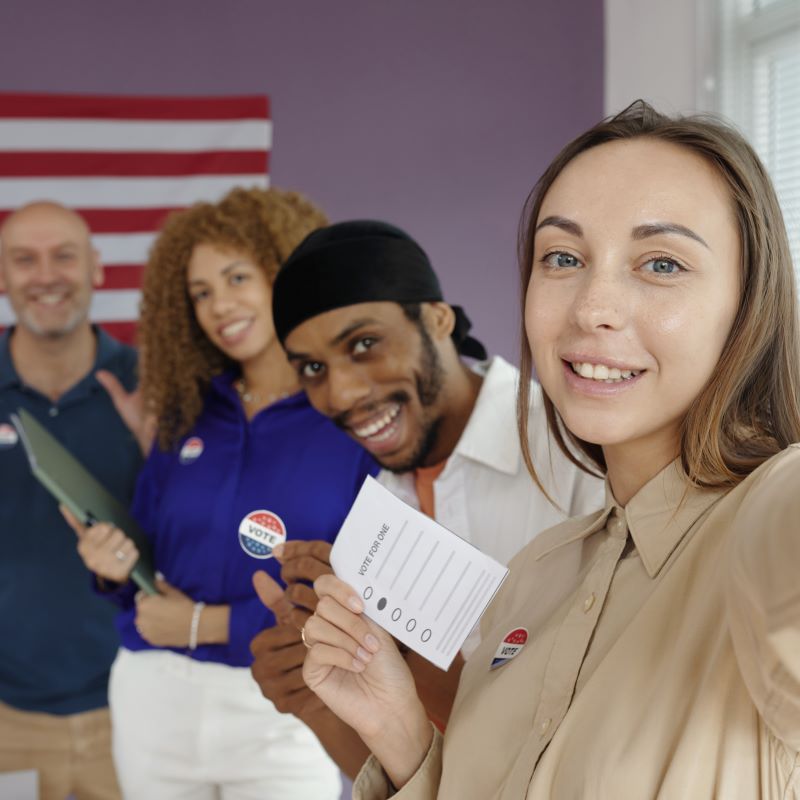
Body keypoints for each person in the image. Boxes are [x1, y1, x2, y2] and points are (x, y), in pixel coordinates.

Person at [299, 101, 800, 799]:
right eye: (562, 257)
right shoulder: (538, 574)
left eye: (661, 263)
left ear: (750, 304)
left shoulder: (770, 517)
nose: (594, 305)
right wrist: (405, 739)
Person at [248, 219, 604, 775]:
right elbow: (419, 774)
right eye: (313, 369)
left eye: (365, 344)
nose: (341, 392)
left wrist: (406, 655)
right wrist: (313, 702)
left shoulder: (577, 448)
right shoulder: (372, 512)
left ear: (437, 320)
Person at [65, 187, 378, 799]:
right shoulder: (187, 412)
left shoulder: (353, 417)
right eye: (201, 293)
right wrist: (114, 567)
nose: (219, 306)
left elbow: (369, 586)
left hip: (284, 699)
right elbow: (150, 547)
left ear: (285, 274)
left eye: (237, 278)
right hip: (153, 695)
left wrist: (213, 624)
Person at [0, 201, 145, 800]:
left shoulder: (152, 387)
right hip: (8, 720)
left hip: (135, 710)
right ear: (3, 277)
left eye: (64, 256)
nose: (46, 275)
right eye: (24, 260)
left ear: (97, 268)